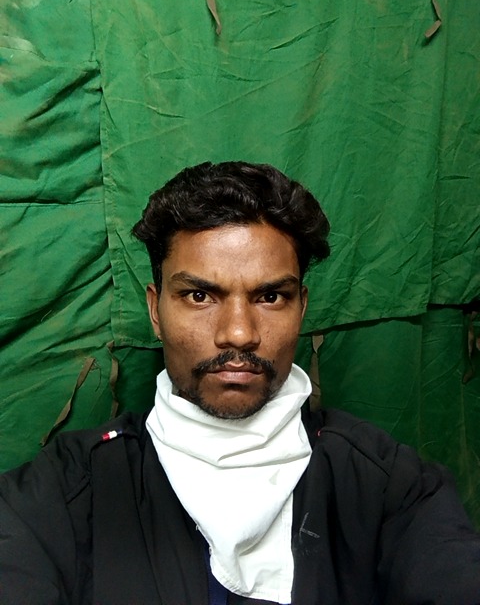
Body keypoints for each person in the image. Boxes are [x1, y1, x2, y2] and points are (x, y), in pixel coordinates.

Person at [0, 161, 479, 605]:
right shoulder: (60, 492)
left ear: (302, 308)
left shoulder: (390, 486)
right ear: (155, 312)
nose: (238, 333)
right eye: (199, 295)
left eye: (270, 297)